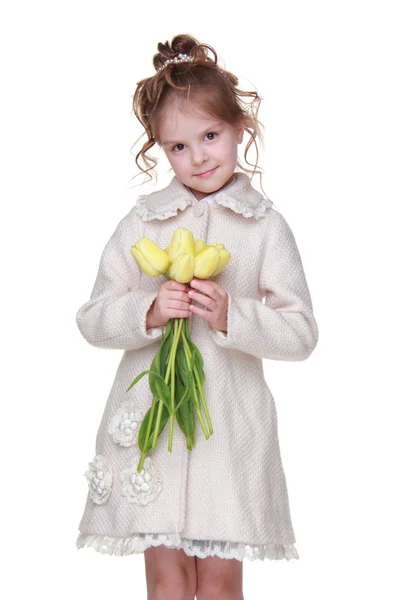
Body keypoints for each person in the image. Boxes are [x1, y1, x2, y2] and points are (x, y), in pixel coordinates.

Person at [75, 33, 319, 600]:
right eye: (178, 146)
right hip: (153, 433)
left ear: (241, 128)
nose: (199, 156)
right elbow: (92, 317)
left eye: (210, 136)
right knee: (166, 585)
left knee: (217, 585)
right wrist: (149, 310)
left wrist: (235, 315)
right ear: (160, 150)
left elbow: (301, 331)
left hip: (227, 434)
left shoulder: (264, 228)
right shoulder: (145, 223)